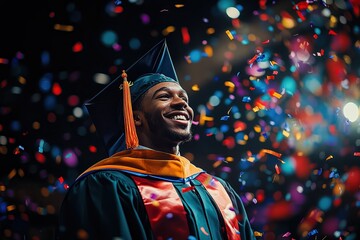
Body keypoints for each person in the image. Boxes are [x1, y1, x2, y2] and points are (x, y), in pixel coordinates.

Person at [57, 39, 255, 240]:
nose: (180, 104)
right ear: (135, 117)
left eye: (184, 99)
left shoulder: (216, 188)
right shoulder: (106, 186)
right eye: (164, 96)